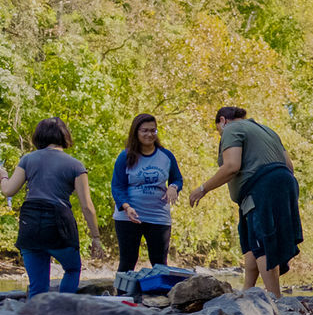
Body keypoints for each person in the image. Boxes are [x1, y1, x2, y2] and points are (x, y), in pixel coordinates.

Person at [188, 107, 302, 298]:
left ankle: (275, 299)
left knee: (263, 242)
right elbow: (289, 166)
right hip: (284, 184)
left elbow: (232, 166)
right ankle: (246, 293)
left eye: (218, 130)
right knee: (251, 242)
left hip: (261, 188)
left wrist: (203, 189)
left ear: (222, 121)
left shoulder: (231, 129)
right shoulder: (266, 130)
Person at [0, 117, 104, 297]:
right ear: (65, 137)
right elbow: (87, 206)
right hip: (59, 226)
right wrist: (95, 237)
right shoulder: (75, 165)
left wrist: (3, 176)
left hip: (30, 225)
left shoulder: (28, 159)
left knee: (37, 288)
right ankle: (63, 308)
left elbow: (8, 191)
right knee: (72, 269)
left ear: (39, 136)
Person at [111, 114, 183, 272]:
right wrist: (127, 207)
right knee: (128, 260)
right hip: (129, 216)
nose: (149, 134)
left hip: (158, 215)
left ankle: (160, 295)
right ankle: (122, 296)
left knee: (159, 262)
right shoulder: (126, 156)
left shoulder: (166, 156)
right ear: (136, 132)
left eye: (153, 130)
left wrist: (173, 187)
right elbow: (117, 186)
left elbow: (177, 179)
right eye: (144, 130)